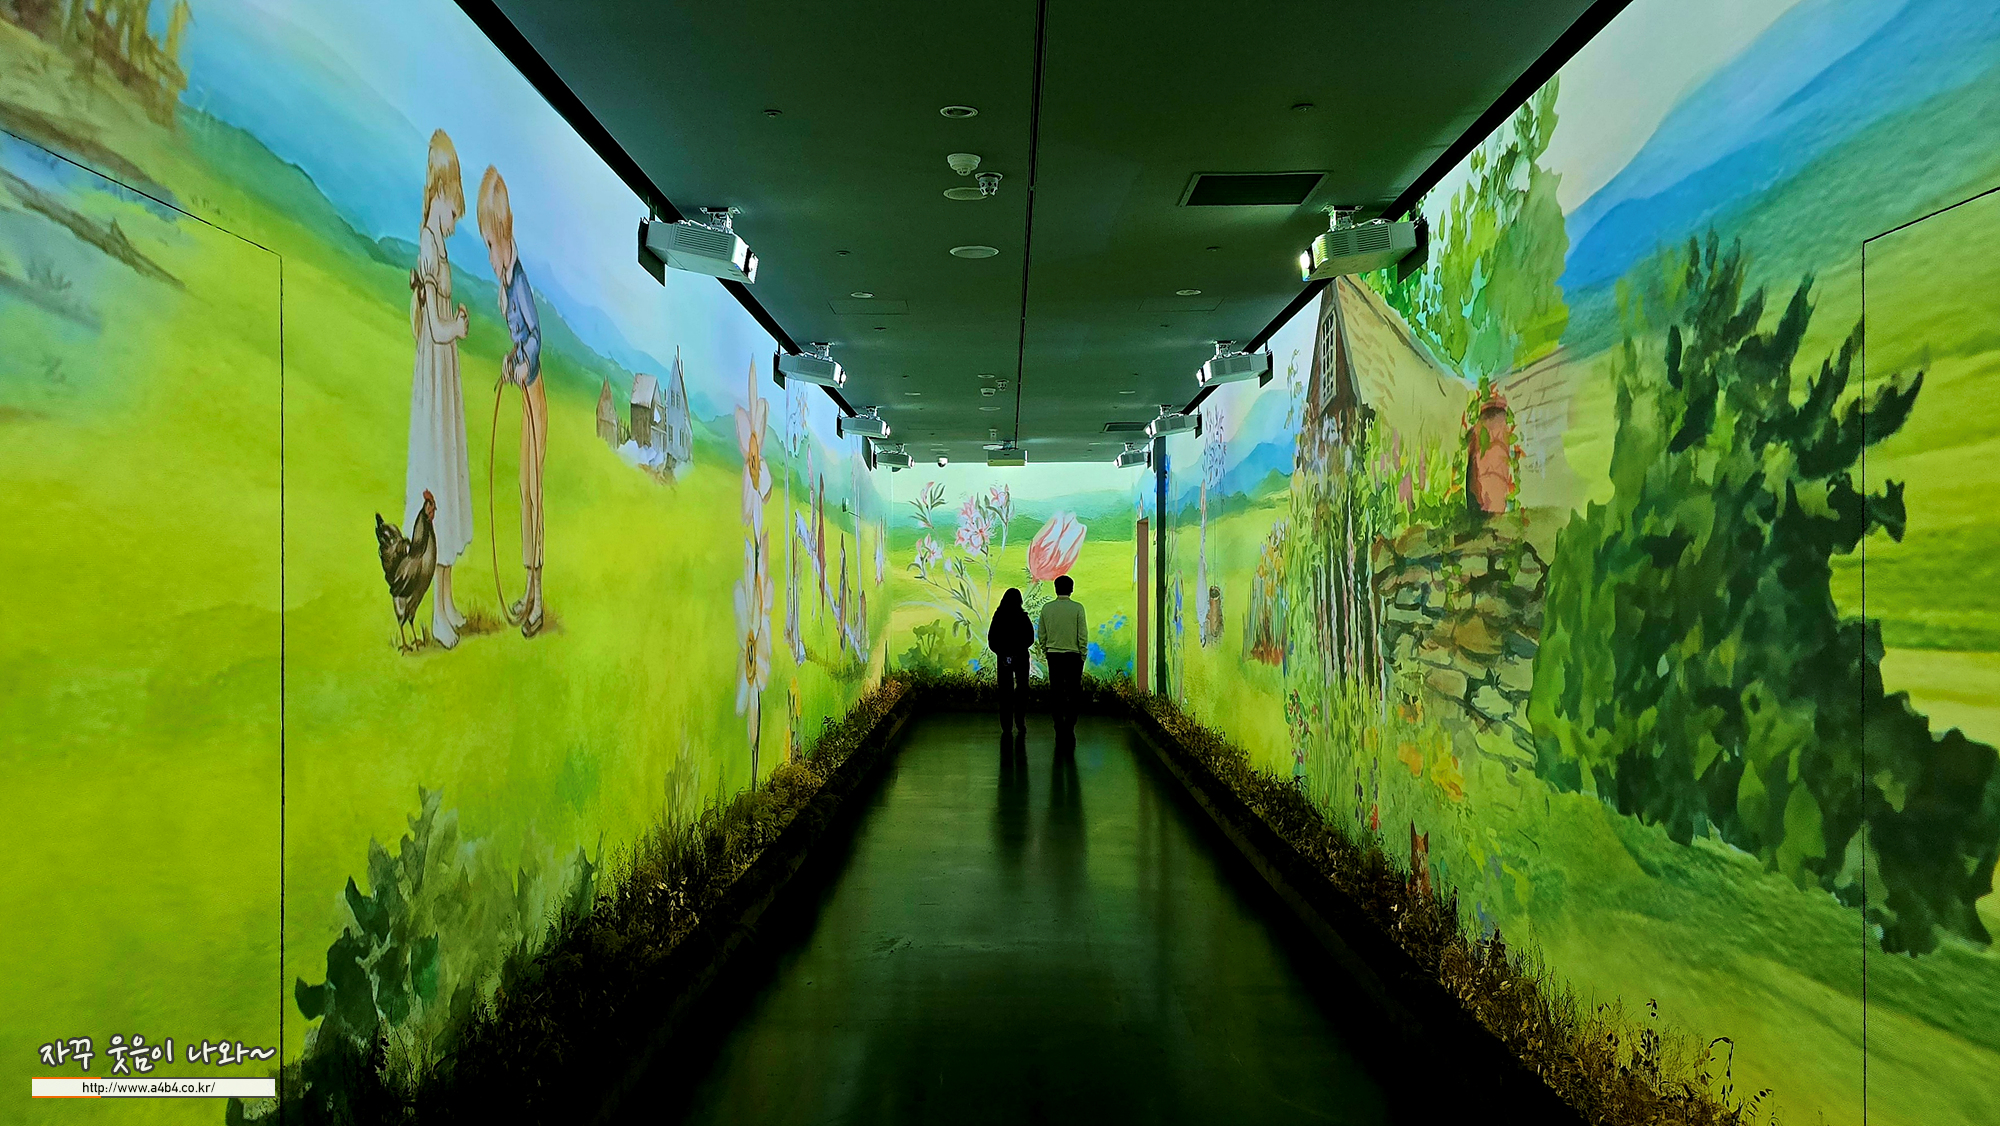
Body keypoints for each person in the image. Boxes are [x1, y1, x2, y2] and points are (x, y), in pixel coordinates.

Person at [406, 129, 474, 648]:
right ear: (441, 195)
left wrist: (454, 323)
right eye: (454, 212)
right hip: (436, 375)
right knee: (438, 487)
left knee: (448, 482)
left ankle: (447, 602)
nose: (454, 224)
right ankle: (436, 614)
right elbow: (432, 326)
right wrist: (458, 328)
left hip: (445, 376)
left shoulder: (439, 247)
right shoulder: (428, 248)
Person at [477, 165, 545, 638]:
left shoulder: (518, 282)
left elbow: (535, 336)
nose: (489, 255)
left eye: (491, 243)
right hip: (522, 391)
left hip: (535, 397)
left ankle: (538, 597)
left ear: (506, 236)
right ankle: (528, 587)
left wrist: (525, 365)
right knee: (523, 491)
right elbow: (519, 342)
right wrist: (510, 360)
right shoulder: (505, 283)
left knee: (534, 493)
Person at [1038, 575, 1087, 731]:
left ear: (1055, 589)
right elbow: (1082, 634)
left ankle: (1058, 721)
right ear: (1071, 589)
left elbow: (1042, 633)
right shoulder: (1078, 608)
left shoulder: (1047, 608)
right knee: (1073, 690)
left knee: (1056, 690)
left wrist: (1046, 649)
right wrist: (1083, 653)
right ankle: (1071, 722)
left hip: (1053, 654)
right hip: (1074, 655)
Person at [987, 588, 1034, 733]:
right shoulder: (1023, 617)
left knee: (1005, 691)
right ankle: (1020, 722)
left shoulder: (998, 616)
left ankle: (1006, 725)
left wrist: (1002, 652)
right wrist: (1018, 650)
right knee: (1022, 689)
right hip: (1021, 657)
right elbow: (1030, 638)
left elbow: (992, 639)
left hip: (1003, 658)